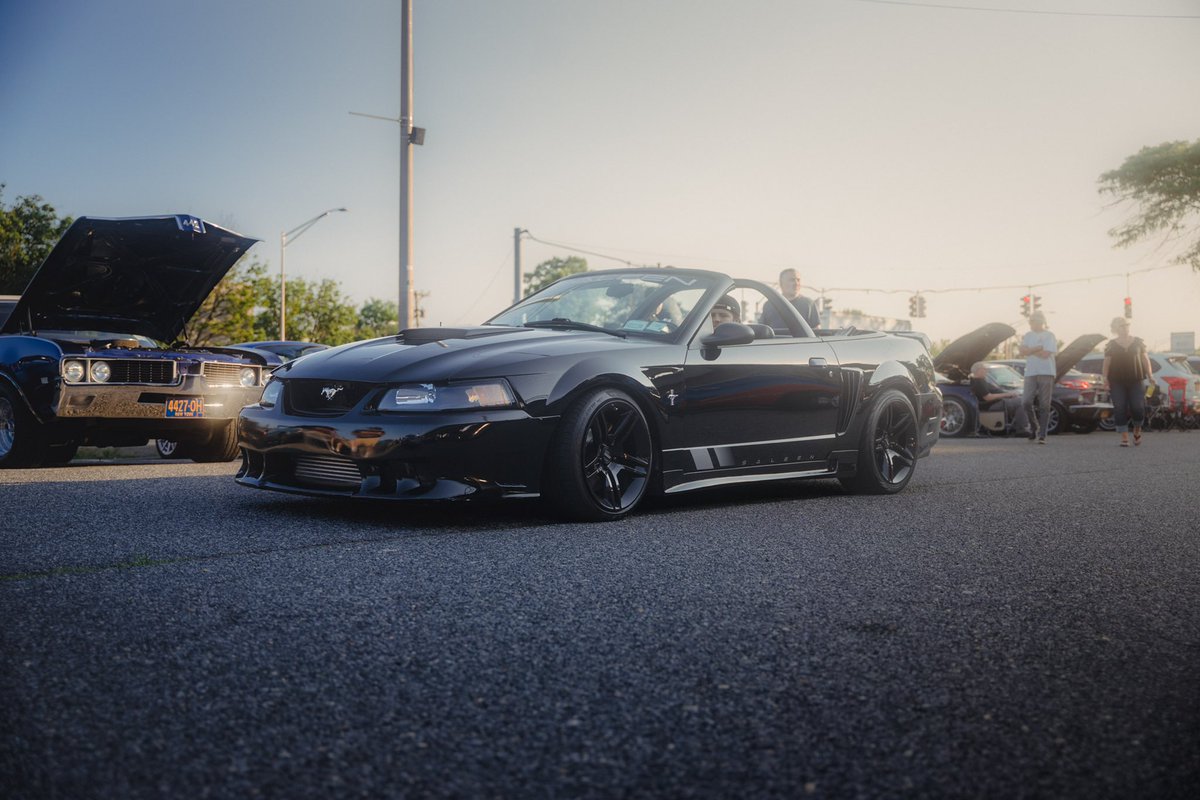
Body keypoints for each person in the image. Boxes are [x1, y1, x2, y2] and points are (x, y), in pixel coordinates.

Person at [1101, 316, 1155, 447]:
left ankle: (1137, 429)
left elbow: (1145, 360)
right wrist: (1105, 379)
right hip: (1117, 381)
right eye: (1122, 326)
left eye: (1126, 325)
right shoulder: (1111, 345)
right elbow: (1107, 363)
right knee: (1120, 407)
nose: (1125, 328)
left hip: (1136, 380)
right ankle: (1124, 436)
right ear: (1116, 329)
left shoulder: (1138, 342)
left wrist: (1150, 375)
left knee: (1137, 407)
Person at [1019, 310, 1057, 444]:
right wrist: (1037, 348)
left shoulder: (1049, 336)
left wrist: (1029, 350)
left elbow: (1045, 354)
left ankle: (1042, 434)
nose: (1030, 324)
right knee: (1026, 402)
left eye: (1033, 321)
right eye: (1030, 321)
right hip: (1030, 372)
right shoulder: (1028, 335)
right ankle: (1034, 426)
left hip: (1046, 372)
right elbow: (1021, 351)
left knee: (1044, 404)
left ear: (1040, 322)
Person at [969, 362, 1031, 437]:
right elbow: (988, 397)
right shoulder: (978, 382)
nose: (986, 371)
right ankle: (1022, 429)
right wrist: (1006, 395)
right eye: (984, 369)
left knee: (1019, 399)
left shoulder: (980, 380)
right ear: (978, 370)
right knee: (1021, 402)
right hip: (991, 405)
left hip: (996, 402)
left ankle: (1018, 427)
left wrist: (1009, 394)